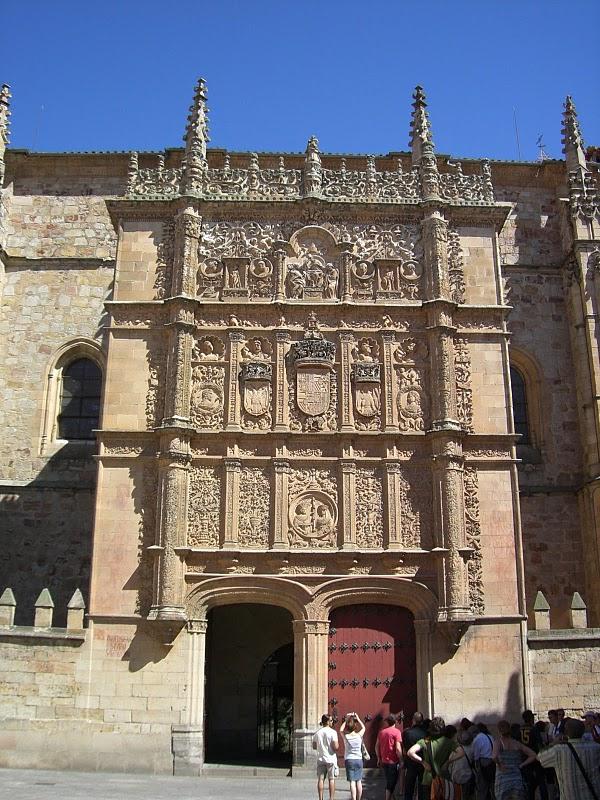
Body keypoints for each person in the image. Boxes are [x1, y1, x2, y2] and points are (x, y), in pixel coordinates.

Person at [538, 717, 600, 800]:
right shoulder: (596, 747)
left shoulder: (557, 750)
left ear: (566, 732)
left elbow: (540, 757)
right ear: (583, 731)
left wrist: (554, 743)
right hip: (591, 796)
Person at [407, 716, 460, 799]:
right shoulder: (448, 742)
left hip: (428, 780)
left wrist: (423, 762)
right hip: (443, 778)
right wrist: (448, 761)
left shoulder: (425, 741)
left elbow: (410, 752)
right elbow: (461, 752)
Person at [492, 720, 536, 800]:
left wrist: (500, 764)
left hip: (503, 780)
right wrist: (522, 765)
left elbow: (494, 756)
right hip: (516, 779)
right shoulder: (517, 743)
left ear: (498, 730)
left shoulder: (498, 742)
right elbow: (533, 755)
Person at [520, 710, 548, 800]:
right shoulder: (533, 729)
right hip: (535, 757)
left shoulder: (520, 729)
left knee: (529, 783)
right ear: (530, 718)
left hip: (525, 758)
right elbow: (539, 744)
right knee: (541, 781)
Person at [376, 713, 403, 800]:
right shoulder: (397, 732)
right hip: (393, 761)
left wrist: (378, 758)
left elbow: (376, 746)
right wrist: (401, 760)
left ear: (387, 722)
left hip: (384, 760)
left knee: (389, 780)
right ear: (395, 722)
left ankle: (392, 797)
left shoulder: (382, 732)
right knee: (392, 782)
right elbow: (398, 749)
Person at [312, 714, 339, 800]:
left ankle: (321, 798)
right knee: (331, 779)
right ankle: (331, 798)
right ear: (327, 722)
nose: (332, 722)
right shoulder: (333, 732)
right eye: (331, 721)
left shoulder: (317, 733)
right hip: (331, 759)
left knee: (321, 779)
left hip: (321, 758)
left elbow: (314, 746)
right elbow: (336, 747)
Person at [341, 712, 366, 800]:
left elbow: (341, 730)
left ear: (348, 727)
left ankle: (353, 798)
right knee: (358, 781)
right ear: (355, 726)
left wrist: (346, 719)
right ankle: (359, 798)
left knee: (352, 781)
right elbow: (363, 727)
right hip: (358, 759)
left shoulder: (346, 736)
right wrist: (358, 718)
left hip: (349, 760)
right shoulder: (359, 736)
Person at [403, 712, 427, 800]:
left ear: (413, 720)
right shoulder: (425, 733)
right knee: (422, 787)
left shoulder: (407, 733)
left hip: (411, 763)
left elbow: (405, 750)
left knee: (409, 788)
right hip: (423, 763)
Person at [472, 722, 495, 800]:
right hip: (492, 762)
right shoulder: (490, 736)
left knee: (482, 787)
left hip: (483, 763)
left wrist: (476, 766)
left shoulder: (478, 738)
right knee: (492, 786)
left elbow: (476, 756)